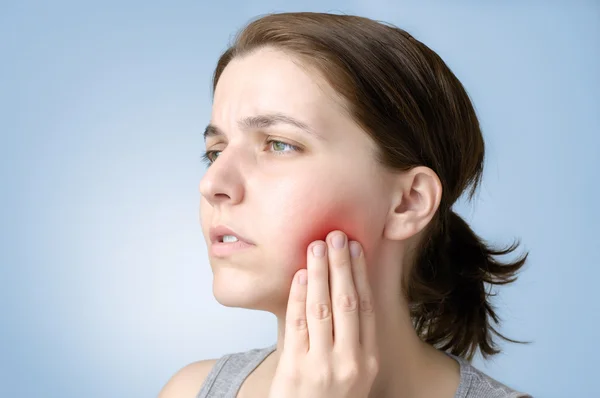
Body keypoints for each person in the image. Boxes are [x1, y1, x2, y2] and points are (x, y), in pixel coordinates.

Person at [159, 11, 532, 398]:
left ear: (408, 202)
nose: (212, 184)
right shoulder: (189, 390)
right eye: (215, 152)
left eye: (279, 144)